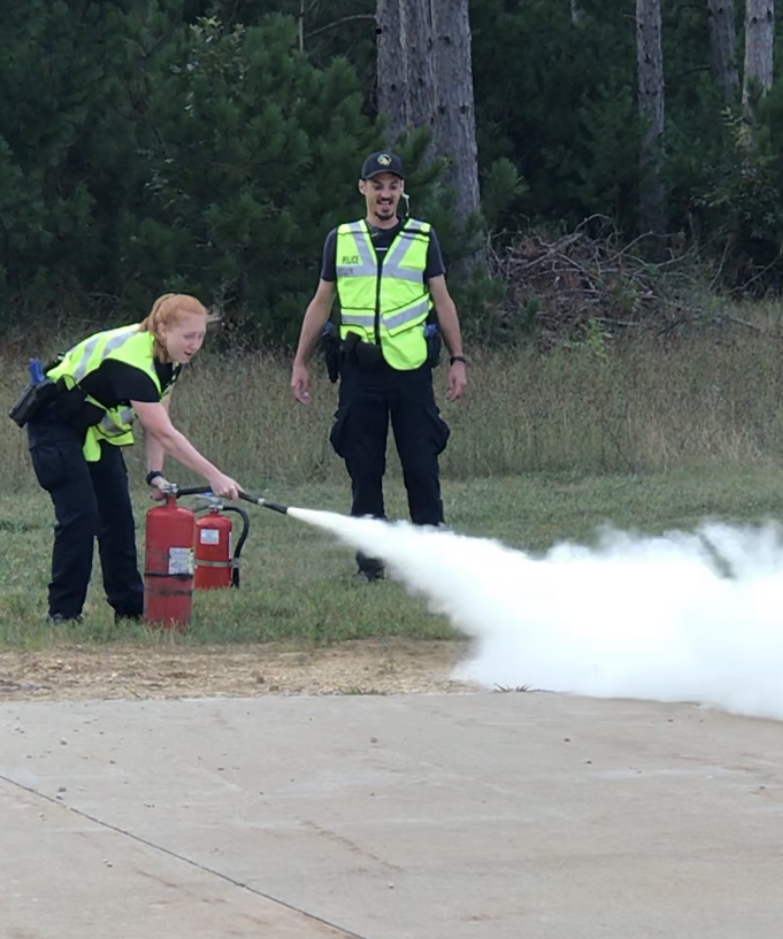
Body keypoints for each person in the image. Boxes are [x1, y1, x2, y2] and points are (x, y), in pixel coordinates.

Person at [290, 150, 467, 579]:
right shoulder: (342, 238)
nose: (385, 194)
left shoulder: (423, 238)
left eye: (393, 185)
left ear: (402, 190)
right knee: (364, 469)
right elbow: (321, 302)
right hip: (359, 372)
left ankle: (432, 559)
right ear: (362, 188)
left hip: (410, 372)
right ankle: (371, 564)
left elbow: (442, 301)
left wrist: (458, 359)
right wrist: (300, 361)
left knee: (421, 467)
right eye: (377, 185)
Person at [24, 293, 242, 624]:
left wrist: (155, 473)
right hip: (55, 427)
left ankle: (130, 609)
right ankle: (63, 614)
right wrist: (215, 476)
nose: (195, 345)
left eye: (201, 336)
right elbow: (166, 432)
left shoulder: (168, 358)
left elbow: (160, 419)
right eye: (188, 336)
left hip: (92, 431)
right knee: (80, 517)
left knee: (118, 519)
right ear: (162, 329)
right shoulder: (133, 361)